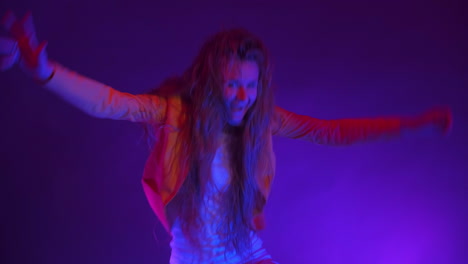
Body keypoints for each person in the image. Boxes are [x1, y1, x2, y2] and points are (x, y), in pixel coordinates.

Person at [0, 11, 452, 264]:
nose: (243, 96)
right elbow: (110, 103)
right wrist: (44, 72)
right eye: (233, 84)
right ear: (212, 81)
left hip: (248, 253)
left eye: (252, 86)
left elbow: (329, 133)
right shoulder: (177, 115)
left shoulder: (259, 121)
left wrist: (412, 124)